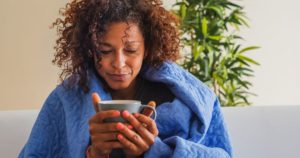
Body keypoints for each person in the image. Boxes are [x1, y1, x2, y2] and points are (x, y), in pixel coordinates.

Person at [19, 0, 233, 157]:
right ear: (90, 50)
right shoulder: (66, 99)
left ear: (147, 48)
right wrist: (94, 153)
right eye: (105, 50)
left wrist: (155, 151)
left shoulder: (186, 99)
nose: (119, 63)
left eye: (130, 50)